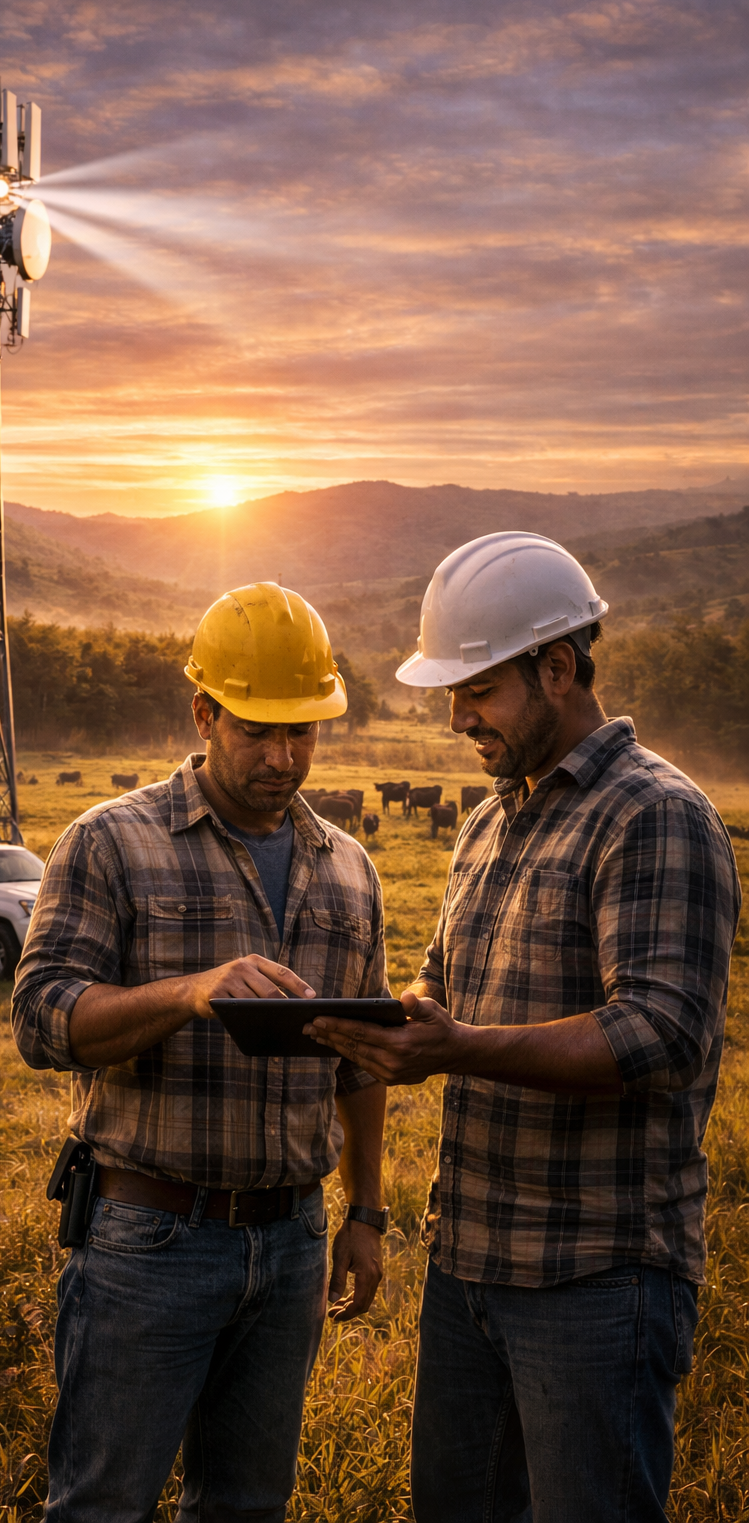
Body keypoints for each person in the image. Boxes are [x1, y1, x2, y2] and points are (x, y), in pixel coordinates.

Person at [306, 532, 742, 1523]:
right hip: (471, 1263)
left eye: (479, 690)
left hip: (595, 1279)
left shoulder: (652, 816)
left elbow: (660, 1037)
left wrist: (456, 1048)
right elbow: (443, 996)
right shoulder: (487, 822)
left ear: (558, 668)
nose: (457, 718)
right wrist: (388, 1022)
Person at [12, 581, 391, 1523]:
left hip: (295, 1239)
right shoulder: (111, 843)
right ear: (203, 713)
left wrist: (368, 1212)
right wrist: (190, 993)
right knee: (106, 1503)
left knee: (249, 1505)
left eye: (303, 732)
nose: (282, 756)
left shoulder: (349, 867)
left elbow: (363, 1059)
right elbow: (42, 1018)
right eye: (257, 730)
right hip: (150, 1240)